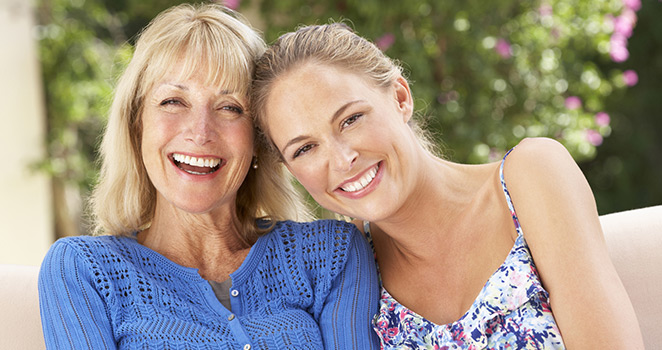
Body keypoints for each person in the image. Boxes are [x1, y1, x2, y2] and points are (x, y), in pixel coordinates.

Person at [251, 23, 645, 349]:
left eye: (351, 119)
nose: (340, 160)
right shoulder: (347, 270)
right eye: (304, 148)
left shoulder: (530, 178)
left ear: (400, 98)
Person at [38, 6, 380, 349]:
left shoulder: (331, 254)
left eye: (230, 107)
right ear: (136, 124)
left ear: (259, 139)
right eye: (173, 101)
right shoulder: (86, 270)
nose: (200, 133)